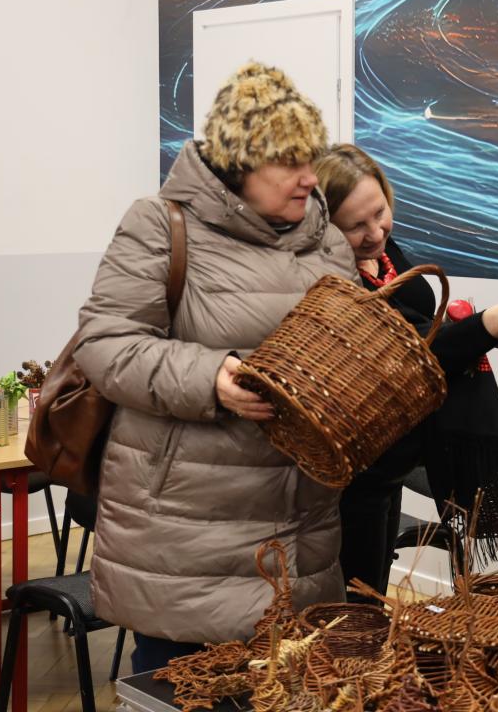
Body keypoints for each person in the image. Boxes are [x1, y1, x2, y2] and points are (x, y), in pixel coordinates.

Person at [73, 62, 358, 673]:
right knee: (183, 688)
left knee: (286, 688)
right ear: (238, 164)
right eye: (289, 162)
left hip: (302, 523)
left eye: (310, 158)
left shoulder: (329, 242)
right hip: (187, 530)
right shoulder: (161, 223)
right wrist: (212, 378)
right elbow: (106, 343)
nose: (311, 177)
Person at [315, 143, 498, 597]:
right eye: (355, 226)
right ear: (325, 226)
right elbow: (407, 356)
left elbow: (418, 331)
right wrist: (495, 321)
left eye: (379, 213)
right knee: (356, 599)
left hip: (393, 456)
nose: (375, 232)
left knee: (373, 588)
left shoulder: (383, 255)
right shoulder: (332, 280)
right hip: (358, 466)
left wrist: (467, 326)